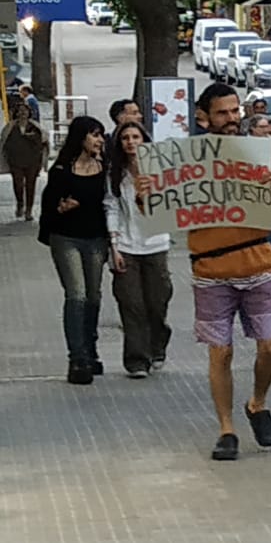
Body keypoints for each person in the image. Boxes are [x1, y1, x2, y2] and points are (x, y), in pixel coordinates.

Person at [179, 84, 271, 461]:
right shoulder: (187, 160)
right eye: (222, 113)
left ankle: (257, 402)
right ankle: (226, 429)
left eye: (234, 111)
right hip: (210, 268)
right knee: (220, 352)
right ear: (204, 117)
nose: (231, 119)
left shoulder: (261, 153)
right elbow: (163, 204)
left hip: (258, 262)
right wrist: (147, 192)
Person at [39, 116, 112, 384]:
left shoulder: (105, 169)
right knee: (77, 295)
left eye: (101, 135)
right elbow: (48, 209)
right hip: (66, 239)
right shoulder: (61, 170)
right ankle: (77, 358)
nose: (100, 140)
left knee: (93, 296)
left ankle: (90, 350)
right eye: (94, 135)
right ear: (81, 138)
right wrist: (60, 209)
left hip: (96, 239)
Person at [105, 121, 173, 378]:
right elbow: (111, 206)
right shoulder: (116, 173)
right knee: (131, 303)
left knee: (157, 301)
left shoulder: (159, 169)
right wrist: (114, 245)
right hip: (126, 244)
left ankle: (158, 343)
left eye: (135, 137)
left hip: (156, 243)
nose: (131, 142)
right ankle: (136, 360)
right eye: (125, 138)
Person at [3, 97, 49, 221]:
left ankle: (29, 209)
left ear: (29, 113)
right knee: (18, 184)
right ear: (16, 113)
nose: (23, 113)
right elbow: (4, 142)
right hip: (15, 161)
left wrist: (32, 138)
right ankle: (20, 203)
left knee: (30, 185)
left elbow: (43, 142)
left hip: (32, 161)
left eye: (25, 111)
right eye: (20, 111)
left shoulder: (35, 127)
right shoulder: (10, 127)